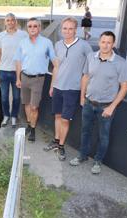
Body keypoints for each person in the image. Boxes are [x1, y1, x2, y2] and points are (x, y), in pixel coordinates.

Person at [69, 31, 127, 174]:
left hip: (106, 107)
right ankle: (82, 156)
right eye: (103, 42)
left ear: (113, 44)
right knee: (85, 132)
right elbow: (85, 77)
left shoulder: (120, 62)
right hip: (89, 103)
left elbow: (124, 87)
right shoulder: (91, 57)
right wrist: (82, 97)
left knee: (103, 136)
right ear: (99, 42)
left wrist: (112, 107)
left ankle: (98, 161)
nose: (105, 45)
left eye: (109, 42)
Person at [44, 17, 92, 161]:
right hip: (58, 86)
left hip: (72, 89)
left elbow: (90, 68)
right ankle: (56, 141)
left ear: (75, 30)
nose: (67, 31)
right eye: (65, 28)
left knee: (65, 119)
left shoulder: (84, 46)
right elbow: (56, 67)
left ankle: (62, 147)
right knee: (57, 116)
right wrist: (52, 85)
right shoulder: (58, 45)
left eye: (70, 28)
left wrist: (84, 91)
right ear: (61, 29)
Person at [14, 17, 58, 141]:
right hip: (24, 77)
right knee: (26, 104)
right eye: (30, 26)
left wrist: (54, 81)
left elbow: (54, 61)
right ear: (27, 28)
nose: (32, 28)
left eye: (35, 26)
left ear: (39, 28)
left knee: (34, 107)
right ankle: (29, 123)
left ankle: (33, 129)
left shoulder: (46, 43)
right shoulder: (22, 42)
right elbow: (18, 61)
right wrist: (18, 78)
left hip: (38, 79)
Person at [0, 13, 27, 128]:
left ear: (16, 21)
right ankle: (6, 116)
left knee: (17, 97)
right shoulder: (0, 36)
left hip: (17, 72)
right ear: (5, 22)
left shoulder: (23, 35)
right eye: (8, 20)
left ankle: (14, 117)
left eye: (12, 20)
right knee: (4, 97)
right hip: (3, 71)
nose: (10, 22)